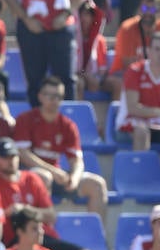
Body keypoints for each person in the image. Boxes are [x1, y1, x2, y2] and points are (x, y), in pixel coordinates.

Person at [13, 77, 108, 218]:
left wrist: (74, 178)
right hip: (31, 175)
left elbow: (76, 159)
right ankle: (40, 233)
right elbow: (23, 155)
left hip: (57, 177)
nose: (54, 101)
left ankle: (97, 236)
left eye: (58, 96)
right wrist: (53, 172)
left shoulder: (67, 125)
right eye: (49, 96)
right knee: (42, 177)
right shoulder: (26, 119)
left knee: (97, 184)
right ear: (40, 96)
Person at [117, 28, 160, 151]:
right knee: (142, 131)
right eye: (157, 49)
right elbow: (133, 108)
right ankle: (139, 169)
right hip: (131, 124)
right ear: (148, 51)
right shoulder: (135, 71)